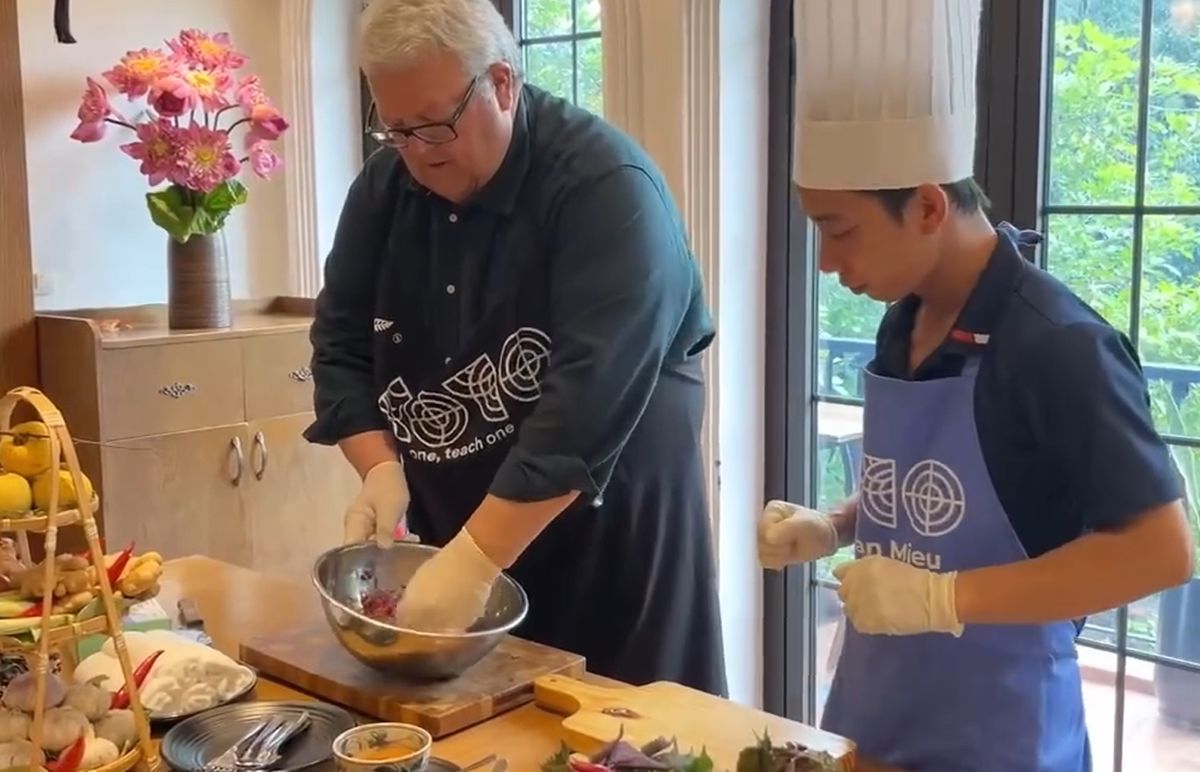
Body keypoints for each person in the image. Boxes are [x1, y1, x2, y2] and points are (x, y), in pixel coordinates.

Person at [758, 0, 1195, 769]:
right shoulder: (907, 317)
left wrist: (943, 599)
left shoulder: (1059, 346)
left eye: (839, 229)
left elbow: (1162, 552)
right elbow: (948, 488)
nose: (827, 262)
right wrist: (838, 524)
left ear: (927, 205)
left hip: (998, 735)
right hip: (876, 713)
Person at [304, 0, 727, 697]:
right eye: (397, 129)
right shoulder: (385, 189)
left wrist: (473, 563)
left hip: (608, 546)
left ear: (501, 83)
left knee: (628, 734)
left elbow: (583, 411)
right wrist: (379, 468)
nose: (419, 150)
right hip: (457, 532)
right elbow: (339, 348)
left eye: (436, 124)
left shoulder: (605, 191)